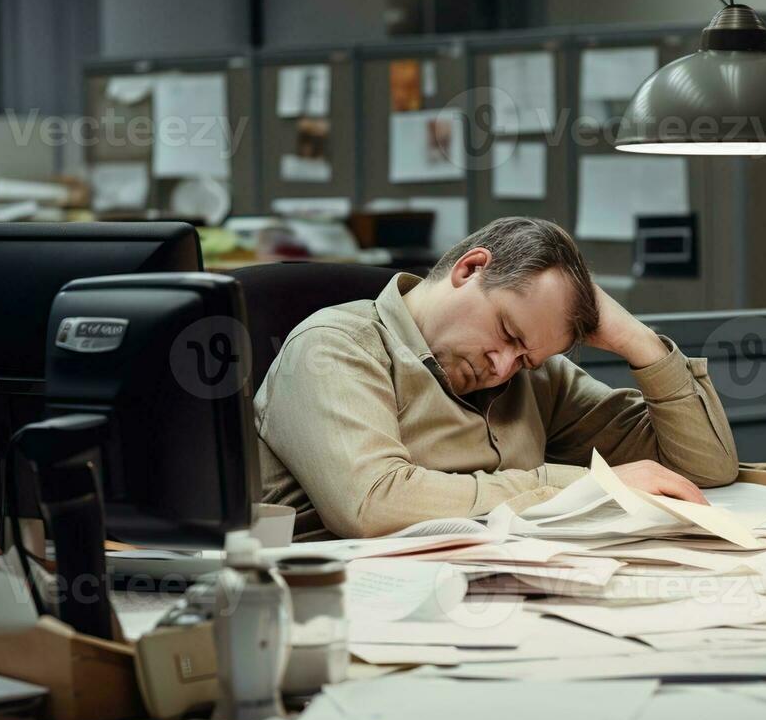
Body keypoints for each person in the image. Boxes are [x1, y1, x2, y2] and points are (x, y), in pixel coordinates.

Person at [254, 216, 739, 539]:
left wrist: (639, 342)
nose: (503, 368)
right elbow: (375, 504)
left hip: (499, 593)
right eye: (507, 332)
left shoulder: (534, 374)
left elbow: (705, 467)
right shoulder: (335, 346)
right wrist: (584, 485)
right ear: (470, 269)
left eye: (527, 357)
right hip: (351, 607)